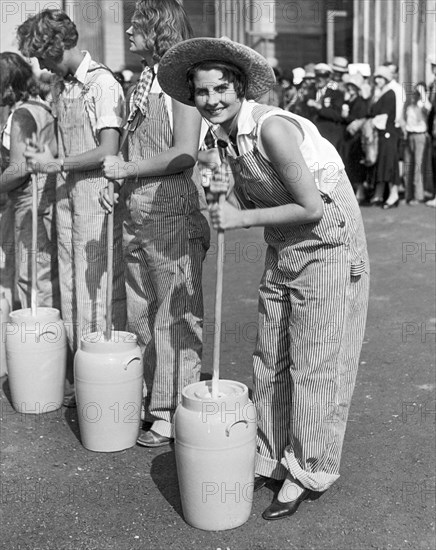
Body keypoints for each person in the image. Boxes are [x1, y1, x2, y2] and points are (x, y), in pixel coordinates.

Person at [158, 37, 369, 520]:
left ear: (239, 87)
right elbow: (229, 195)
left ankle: (306, 469)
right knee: (269, 352)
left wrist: (239, 219)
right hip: (283, 242)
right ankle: (269, 455)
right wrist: (217, 190)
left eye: (221, 89)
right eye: (202, 92)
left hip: (328, 241)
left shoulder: (273, 130)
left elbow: (311, 207)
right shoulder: (219, 137)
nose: (211, 100)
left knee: (314, 360)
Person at [100, 0, 210, 447]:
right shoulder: (144, 81)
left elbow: (184, 151)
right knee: (142, 310)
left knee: (175, 315)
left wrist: (126, 171)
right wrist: (117, 180)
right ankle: (151, 397)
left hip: (171, 207)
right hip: (138, 207)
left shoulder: (180, 83)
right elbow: (133, 148)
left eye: (136, 26)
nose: (127, 33)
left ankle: (171, 408)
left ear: (158, 29)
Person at [17, 9, 127, 404]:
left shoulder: (102, 84)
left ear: (55, 45)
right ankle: (83, 379)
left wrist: (58, 163)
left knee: (94, 286)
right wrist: (43, 155)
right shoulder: (62, 86)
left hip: (95, 193)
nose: (38, 63)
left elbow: (108, 150)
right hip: (67, 196)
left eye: (39, 53)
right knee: (69, 285)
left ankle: (103, 381)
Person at [0, 52, 59, 310]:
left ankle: (37, 344)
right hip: (38, 201)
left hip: (30, 203)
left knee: (32, 281)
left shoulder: (22, 114)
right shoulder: (39, 107)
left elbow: (20, 168)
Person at [367, 66, 400, 208]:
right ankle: (379, 194)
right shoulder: (380, 93)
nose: (378, 80)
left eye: (381, 78)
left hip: (388, 133)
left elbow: (383, 117)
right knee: (382, 163)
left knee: (389, 164)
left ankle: (394, 194)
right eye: (377, 78)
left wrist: (369, 123)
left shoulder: (390, 94)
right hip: (381, 134)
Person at [340, 73, 369, 203]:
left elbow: (359, 118)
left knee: (356, 164)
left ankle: (360, 191)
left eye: (353, 86)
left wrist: (346, 116)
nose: (350, 89)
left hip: (356, 137)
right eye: (349, 86)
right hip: (348, 138)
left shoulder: (360, 102)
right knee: (350, 163)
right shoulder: (349, 101)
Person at [403, 82, 431, 205]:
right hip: (409, 135)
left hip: (420, 136)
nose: (416, 94)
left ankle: (418, 195)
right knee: (408, 165)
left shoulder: (423, 105)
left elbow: (429, 108)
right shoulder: (410, 105)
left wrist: (423, 94)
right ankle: (408, 195)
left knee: (418, 166)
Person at [307, 63, 345, 150]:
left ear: (328, 78)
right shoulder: (310, 92)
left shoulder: (336, 94)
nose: (320, 79)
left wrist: (320, 108)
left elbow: (337, 115)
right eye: (318, 76)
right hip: (312, 133)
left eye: (323, 76)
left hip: (328, 133)